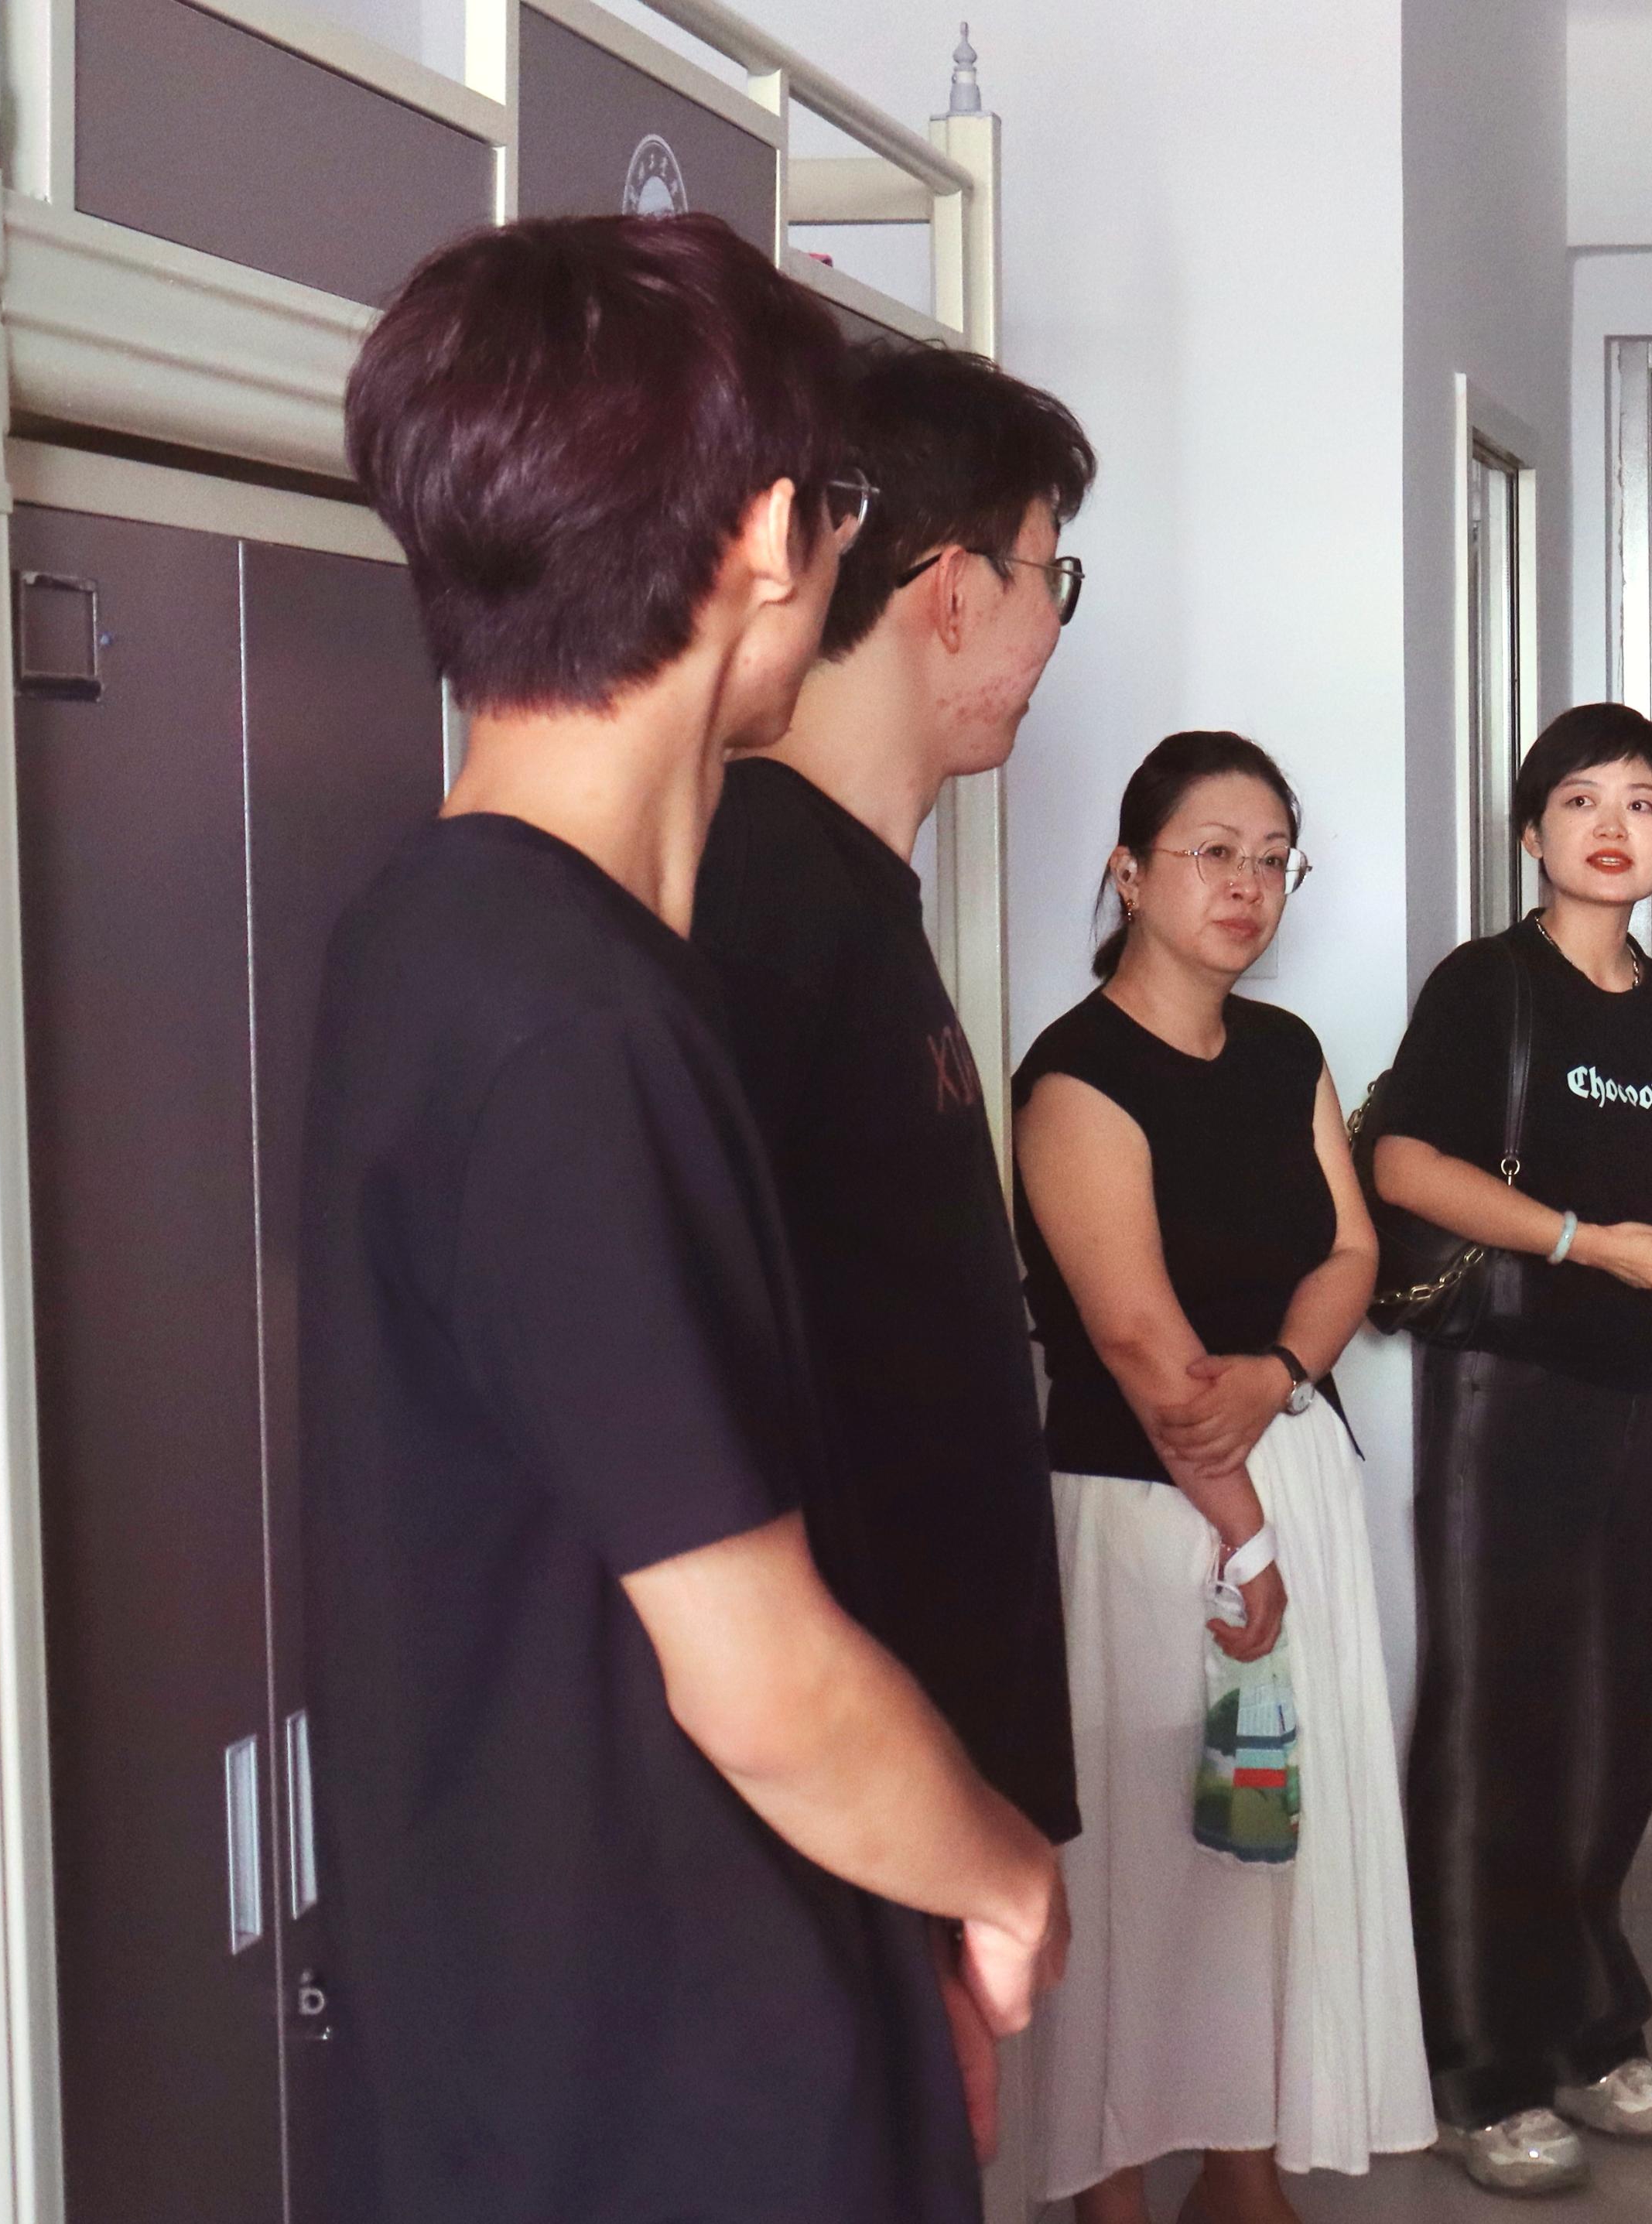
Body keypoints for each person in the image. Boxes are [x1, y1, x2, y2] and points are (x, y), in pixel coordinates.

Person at [302, 213, 1064, 2224]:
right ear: (765, 542)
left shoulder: (441, 934)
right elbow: (762, 1677)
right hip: (671, 2074)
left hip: (544, 2027)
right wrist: (997, 1871)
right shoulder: (570, 1022)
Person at [689, 340, 1096, 2159]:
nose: (1053, 628)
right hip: (823, 1823)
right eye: (1051, 575)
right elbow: (728, 1435)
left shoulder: (850, 894)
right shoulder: (755, 906)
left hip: (902, 1796)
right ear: (951, 591)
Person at [1011, 734, 1431, 2224]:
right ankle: (1111, 2186)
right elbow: (1140, 1345)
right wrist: (1242, 1534)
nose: (1247, 885)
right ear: (1129, 873)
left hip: (1284, 1473)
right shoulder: (1075, 1076)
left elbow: (1353, 1248)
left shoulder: (1285, 1049)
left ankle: (1242, 2165)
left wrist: (1282, 1375)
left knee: (1264, 1849)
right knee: (1141, 1852)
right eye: (1212, 853)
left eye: (1271, 859)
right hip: (1150, 1515)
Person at [1366, 703, 1652, 2197]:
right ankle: (1480, 2065)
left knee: (1620, 1712)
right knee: (1496, 1717)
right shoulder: (1491, 984)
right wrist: (1589, 1241)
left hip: (1632, 1388)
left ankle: (1590, 2027)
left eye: (1642, 802)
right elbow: (1405, 1161)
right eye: (1580, 799)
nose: (1611, 826)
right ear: (1531, 831)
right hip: (1503, 1386)